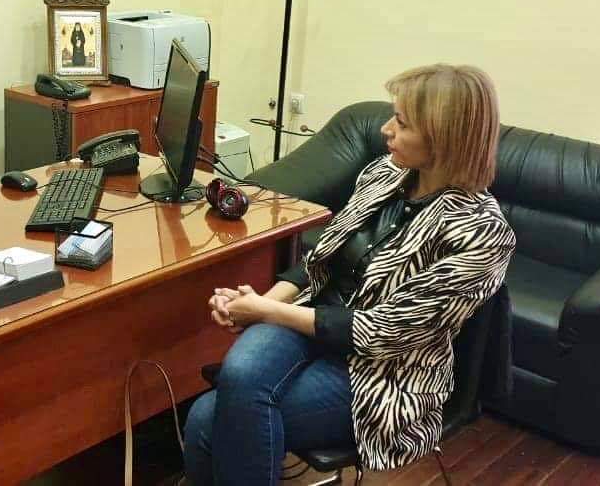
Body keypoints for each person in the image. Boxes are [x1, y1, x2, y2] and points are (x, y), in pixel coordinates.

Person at [183, 64, 516, 484]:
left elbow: (383, 333)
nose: (386, 129)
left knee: (206, 418)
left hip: (384, 374)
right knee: (236, 377)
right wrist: (260, 302)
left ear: (444, 138)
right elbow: (320, 259)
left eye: (402, 123)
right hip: (310, 322)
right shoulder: (384, 173)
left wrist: (264, 312)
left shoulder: (482, 233)